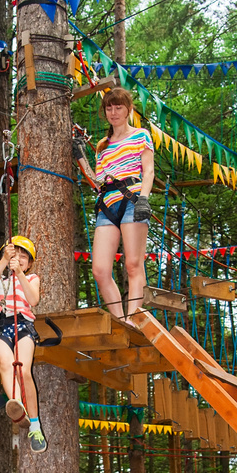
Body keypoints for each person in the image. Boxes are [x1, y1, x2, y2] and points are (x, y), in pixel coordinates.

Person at [73, 87, 155, 323]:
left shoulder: (141, 135)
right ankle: (120, 320)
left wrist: (144, 199)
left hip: (133, 199)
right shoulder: (102, 145)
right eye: (109, 107)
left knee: (133, 264)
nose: (113, 111)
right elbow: (98, 182)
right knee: (99, 269)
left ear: (128, 110)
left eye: (118, 107)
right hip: (107, 205)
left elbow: (148, 171)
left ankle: (134, 318)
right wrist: (80, 158)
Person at [0, 235, 47, 454]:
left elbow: (33, 300)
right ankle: (16, 403)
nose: (18, 259)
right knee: (4, 362)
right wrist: (3, 262)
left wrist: (19, 273)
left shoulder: (31, 278)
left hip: (22, 327)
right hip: (0, 328)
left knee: (24, 370)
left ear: (29, 263)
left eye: (23, 256)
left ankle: (35, 426)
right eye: (15, 254)